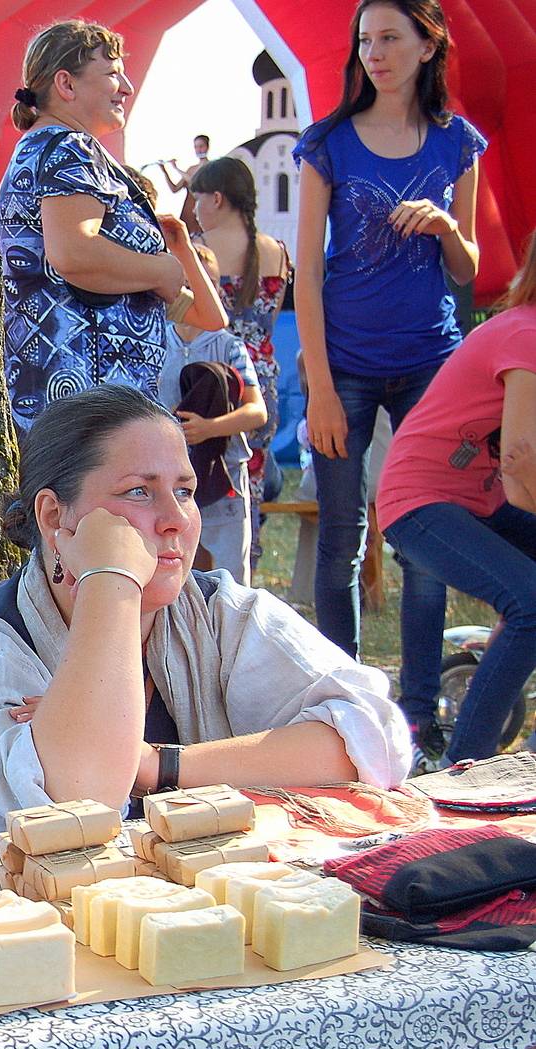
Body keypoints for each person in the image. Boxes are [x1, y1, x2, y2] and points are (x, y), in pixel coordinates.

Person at [0, 384, 411, 832]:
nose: (176, 519)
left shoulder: (218, 614)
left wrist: (157, 764)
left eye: (184, 491)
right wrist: (111, 580)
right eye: (139, 491)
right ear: (53, 516)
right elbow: (71, 805)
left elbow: (378, 738)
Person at [294, 0, 484, 669]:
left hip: (432, 363)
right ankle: (343, 695)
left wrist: (446, 227)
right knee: (341, 538)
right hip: (343, 364)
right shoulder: (327, 143)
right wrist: (319, 389)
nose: (373, 53)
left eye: (390, 38)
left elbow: (469, 266)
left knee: (422, 537)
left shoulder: (457, 142)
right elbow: (307, 273)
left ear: (428, 46)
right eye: (365, 39)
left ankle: (419, 704)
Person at [0, 20, 225, 432]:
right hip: (90, 405)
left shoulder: (41, 148)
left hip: (70, 402)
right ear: (66, 84)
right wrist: (161, 269)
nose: (127, 88)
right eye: (113, 73)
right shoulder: (70, 146)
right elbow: (74, 253)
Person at [377, 234, 536, 766]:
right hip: (418, 500)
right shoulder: (526, 334)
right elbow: (520, 473)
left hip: (474, 501)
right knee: (530, 602)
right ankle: (464, 768)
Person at [190, 156, 294, 567]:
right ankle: (247, 567)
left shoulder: (199, 251)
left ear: (217, 198)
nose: (196, 208)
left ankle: (200, 574)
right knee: (248, 484)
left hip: (209, 378)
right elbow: (270, 321)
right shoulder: (276, 251)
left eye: (198, 198)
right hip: (261, 382)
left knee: (200, 484)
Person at [158, 246, 267, 583]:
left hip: (223, 473)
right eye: (186, 284)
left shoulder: (228, 345)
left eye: (206, 284)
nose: (194, 292)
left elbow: (256, 411)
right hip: (168, 477)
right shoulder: (156, 340)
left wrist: (210, 428)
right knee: (172, 570)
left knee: (230, 576)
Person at [160, 134, 211, 235]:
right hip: (188, 210)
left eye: (201, 146)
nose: (198, 150)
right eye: (196, 147)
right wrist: (164, 171)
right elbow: (174, 189)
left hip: (201, 209)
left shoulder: (210, 167)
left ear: (207, 147)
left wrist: (176, 168)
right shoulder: (191, 169)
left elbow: (194, 183)